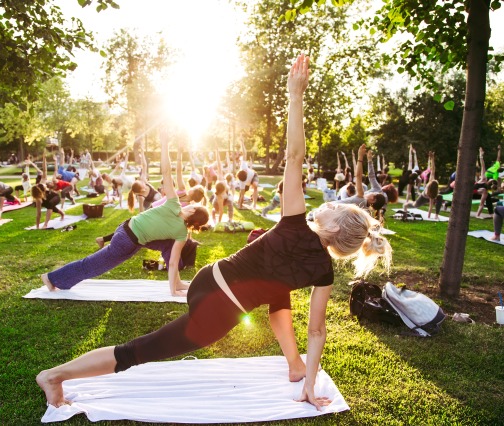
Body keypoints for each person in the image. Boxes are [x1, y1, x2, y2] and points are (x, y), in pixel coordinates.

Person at [36, 54, 392, 410]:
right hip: (218, 312)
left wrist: (295, 96)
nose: (326, 205)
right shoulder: (322, 270)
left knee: (278, 291)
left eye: (332, 208)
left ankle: (294, 367)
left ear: (331, 226)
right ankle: (54, 376)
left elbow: (294, 157)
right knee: (139, 351)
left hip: (211, 278)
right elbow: (317, 332)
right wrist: (311, 386)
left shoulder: (294, 223)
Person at [42, 128, 209, 296]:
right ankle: (51, 278)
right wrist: (173, 293)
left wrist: (164, 144)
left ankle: (177, 282)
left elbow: (166, 172)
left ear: (193, 209)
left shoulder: (174, 205)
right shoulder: (181, 231)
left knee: (166, 244)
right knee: (93, 265)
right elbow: (173, 263)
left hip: (129, 230)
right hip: (127, 240)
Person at [333, 146, 387, 220]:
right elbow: (371, 176)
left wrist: (360, 157)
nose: (371, 193)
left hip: (334, 208)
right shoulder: (367, 210)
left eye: (374, 194)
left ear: (373, 199)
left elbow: (358, 176)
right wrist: (369, 160)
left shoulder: (361, 196)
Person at [30, 151, 66, 229]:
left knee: (50, 204)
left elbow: (45, 170)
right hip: (47, 201)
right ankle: (62, 213)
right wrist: (37, 226)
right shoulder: (38, 199)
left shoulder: (42, 183)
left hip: (55, 197)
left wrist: (44, 158)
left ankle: (46, 224)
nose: (46, 188)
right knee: (51, 206)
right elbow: (38, 213)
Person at [403, 151, 443, 219]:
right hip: (423, 197)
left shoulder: (433, 190)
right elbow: (433, 169)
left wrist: (432, 158)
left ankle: (436, 214)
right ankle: (405, 205)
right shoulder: (430, 184)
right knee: (415, 205)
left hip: (429, 196)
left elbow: (433, 169)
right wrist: (429, 217)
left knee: (440, 197)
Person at [236, 139, 260, 210]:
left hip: (254, 175)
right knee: (242, 193)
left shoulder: (243, 166)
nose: (246, 171)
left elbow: (245, 153)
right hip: (247, 183)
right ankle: (239, 203)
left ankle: (254, 204)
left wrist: (242, 143)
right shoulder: (242, 182)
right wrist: (240, 206)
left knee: (255, 186)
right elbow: (242, 194)